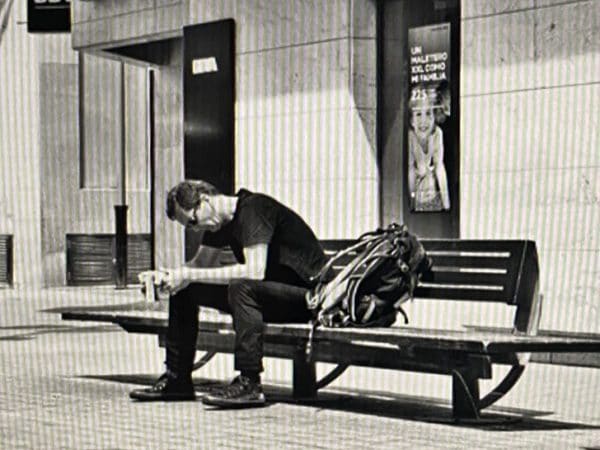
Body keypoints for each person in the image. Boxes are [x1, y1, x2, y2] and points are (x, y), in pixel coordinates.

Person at [129, 180, 327, 408]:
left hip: (308, 300)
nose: (196, 229)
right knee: (186, 287)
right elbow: (199, 265)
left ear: (204, 200)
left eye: (193, 221)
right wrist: (168, 276)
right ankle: (177, 379)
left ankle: (250, 383)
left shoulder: (255, 209)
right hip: (268, 297)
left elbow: (255, 271)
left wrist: (188, 275)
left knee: (241, 286)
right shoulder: (219, 222)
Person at [407, 89, 451, 212]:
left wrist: (447, 205)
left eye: (428, 113)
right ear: (412, 120)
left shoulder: (437, 134)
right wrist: (412, 201)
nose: (423, 120)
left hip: (431, 192)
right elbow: (410, 169)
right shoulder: (410, 137)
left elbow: (439, 167)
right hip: (418, 193)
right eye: (418, 114)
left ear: (434, 117)